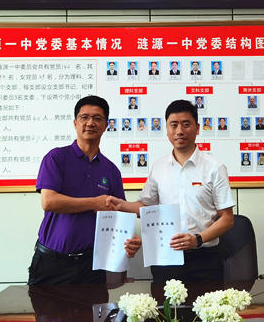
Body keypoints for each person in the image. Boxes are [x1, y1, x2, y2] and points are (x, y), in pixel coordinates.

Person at [109, 100, 235, 282]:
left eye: (186, 124)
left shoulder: (214, 167)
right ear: (167, 129)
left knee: (207, 302)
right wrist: (121, 205)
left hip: (205, 258)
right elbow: (146, 207)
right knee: (164, 301)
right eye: (174, 125)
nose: (179, 131)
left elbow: (227, 218)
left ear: (197, 128)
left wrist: (197, 239)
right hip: (166, 257)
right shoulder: (159, 167)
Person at [28, 96, 141, 286]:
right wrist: (94, 203)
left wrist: (130, 238)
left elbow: (117, 215)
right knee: (44, 306)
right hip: (51, 262)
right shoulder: (57, 157)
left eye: (97, 118)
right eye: (84, 117)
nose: (90, 123)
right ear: (75, 123)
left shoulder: (111, 170)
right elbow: (49, 202)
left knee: (93, 307)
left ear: (106, 126)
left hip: (92, 265)